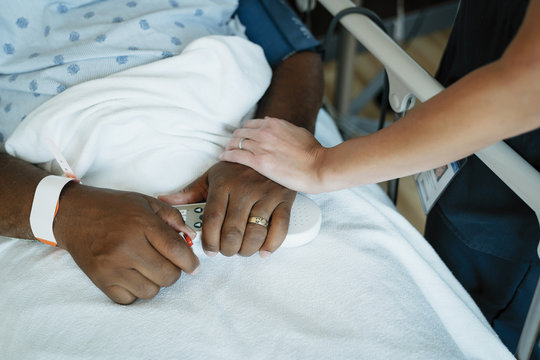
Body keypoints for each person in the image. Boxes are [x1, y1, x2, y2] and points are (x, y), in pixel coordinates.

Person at [221, 0, 540, 355]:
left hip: (514, 204)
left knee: (473, 332)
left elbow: (528, 86)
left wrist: (321, 165)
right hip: (471, 152)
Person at [0, 0, 323, 305]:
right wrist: (62, 211)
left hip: (227, 115)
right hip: (56, 152)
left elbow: (296, 54)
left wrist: (270, 156)